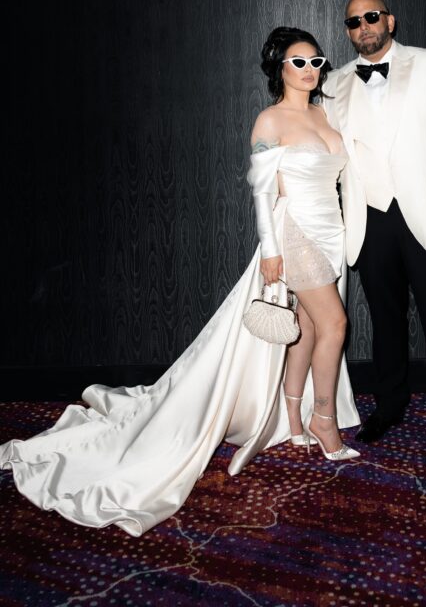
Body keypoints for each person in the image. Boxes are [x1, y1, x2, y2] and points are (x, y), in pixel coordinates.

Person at [0, 27, 359, 535]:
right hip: (294, 232)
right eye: (298, 62)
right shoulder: (269, 119)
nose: (309, 70)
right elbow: (261, 193)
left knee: (305, 329)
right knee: (336, 324)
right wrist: (271, 251)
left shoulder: (326, 113)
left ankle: (294, 419)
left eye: (316, 61)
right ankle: (325, 421)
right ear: (279, 68)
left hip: (332, 232)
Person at [323, 0, 426, 464]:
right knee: (385, 323)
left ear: (390, 20)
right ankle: (389, 406)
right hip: (369, 217)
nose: (363, 26)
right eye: (353, 22)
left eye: (371, 17)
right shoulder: (335, 84)